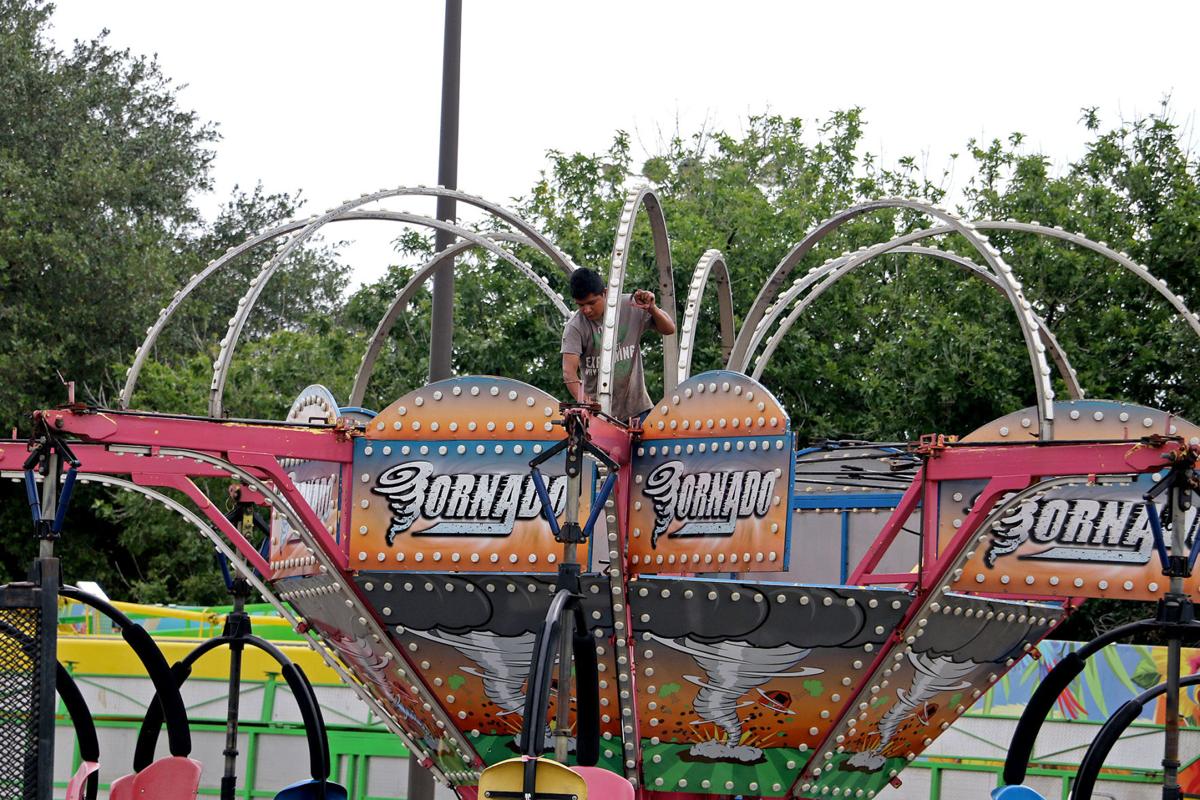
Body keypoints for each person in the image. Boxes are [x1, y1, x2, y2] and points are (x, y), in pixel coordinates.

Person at [561, 267, 676, 424]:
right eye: (580, 305)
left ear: (605, 293)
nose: (586, 310)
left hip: (637, 410)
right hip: (600, 416)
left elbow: (669, 329)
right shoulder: (575, 327)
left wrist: (652, 308)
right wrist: (587, 404)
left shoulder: (630, 305)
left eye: (592, 303)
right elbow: (569, 373)